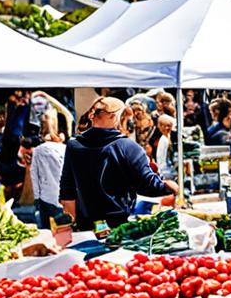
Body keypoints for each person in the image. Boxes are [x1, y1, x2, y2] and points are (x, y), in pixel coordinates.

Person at [59, 96, 177, 229]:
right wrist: (169, 186)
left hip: (86, 224)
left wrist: (71, 226)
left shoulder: (73, 145)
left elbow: (66, 192)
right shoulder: (128, 147)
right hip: (118, 225)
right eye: (126, 119)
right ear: (116, 118)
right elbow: (147, 185)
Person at [30, 110, 68, 230]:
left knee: (47, 231)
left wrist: (36, 197)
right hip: (62, 197)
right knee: (63, 231)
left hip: (45, 197)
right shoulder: (65, 149)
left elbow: (34, 175)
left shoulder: (38, 151)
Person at [152, 114, 177, 179]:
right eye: (163, 126)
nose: (166, 128)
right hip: (166, 173)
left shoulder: (169, 137)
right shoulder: (163, 140)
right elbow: (161, 159)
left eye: (169, 126)